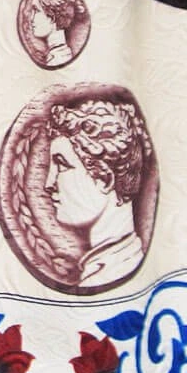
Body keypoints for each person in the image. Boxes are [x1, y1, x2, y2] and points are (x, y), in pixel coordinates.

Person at [43, 97, 152, 288]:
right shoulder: (103, 268)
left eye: (62, 165)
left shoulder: (117, 269)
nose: (48, 184)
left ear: (104, 179)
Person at [27, 0, 88, 67]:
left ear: (52, 17)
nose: (31, 19)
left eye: (36, 11)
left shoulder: (59, 59)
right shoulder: (57, 55)